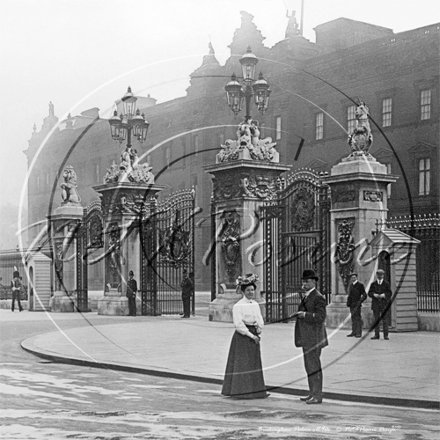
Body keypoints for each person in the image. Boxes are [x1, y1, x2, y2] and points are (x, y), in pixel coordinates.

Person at [221, 273, 269, 399]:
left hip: (254, 334)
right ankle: (241, 391)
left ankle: (257, 391)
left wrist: (259, 329)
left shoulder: (255, 304)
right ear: (243, 291)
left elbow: (259, 319)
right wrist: (251, 335)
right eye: (248, 290)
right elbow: (238, 324)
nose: (251, 292)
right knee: (243, 364)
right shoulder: (238, 306)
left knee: (254, 362)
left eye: (252, 290)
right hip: (243, 336)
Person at [294, 269, 328, 404]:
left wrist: (304, 315)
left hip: (314, 337)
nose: (304, 284)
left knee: (314, 366)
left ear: (314, 282)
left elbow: (320, 317)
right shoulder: (308, 295)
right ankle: (312, 392)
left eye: (307, 281)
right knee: (309, 366)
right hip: (307, 337)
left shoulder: (318, 296)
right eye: (303, 281)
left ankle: (317, 395)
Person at [368, 269, 392, 340]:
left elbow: (389, 293)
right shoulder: (373, 284)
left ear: (383, 275)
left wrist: (384, 295)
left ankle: (386, 335)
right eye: (378, 275)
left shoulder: (386, 284)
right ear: (377, 275)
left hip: (384, 304)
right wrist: (374, 294)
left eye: (381, 275)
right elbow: (369, 293)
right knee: (376, 320)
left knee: (385, 320)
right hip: (376, 304)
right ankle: (376, 335)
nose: (380, 276)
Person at [346, 273, 367, 338]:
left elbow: (364, 295)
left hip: (357, 304)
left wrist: (360, 301)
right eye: (352, 277)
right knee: (353, 318)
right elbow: (349, 295)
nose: (353, 278)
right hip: (352, 304)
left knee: (358, 318)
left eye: (354, 277)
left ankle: (358, 333)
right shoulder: (351, 285)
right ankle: (353, 332)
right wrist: (348, 302)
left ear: (356, 278)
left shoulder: (360, 285)